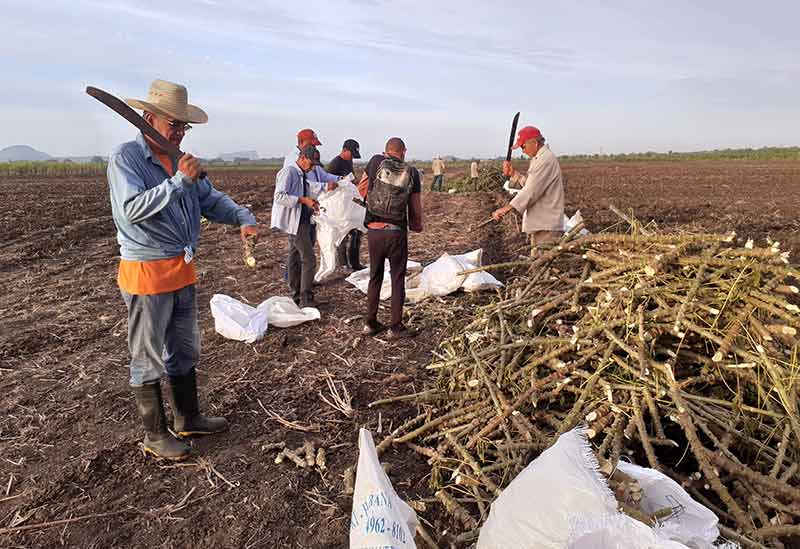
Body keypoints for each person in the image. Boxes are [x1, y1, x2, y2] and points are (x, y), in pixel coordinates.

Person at [108, 79, 258, 460]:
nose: (178, 131)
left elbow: (210, 200)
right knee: (147, 356)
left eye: (182, 125)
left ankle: (188, 417)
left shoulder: (181, 161)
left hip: (182, 270)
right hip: (147, 272)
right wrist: (178, 182)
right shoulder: (126, 158)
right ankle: (155, 435)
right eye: (171, 123)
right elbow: (131, 211)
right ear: (148, 119)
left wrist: (241, 216)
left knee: (184, 350)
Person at [362, 138, 423, 339]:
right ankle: (395, 327)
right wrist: (416, 226)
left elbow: (362, 188)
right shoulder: (411, 172)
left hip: (374, 231)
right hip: (396, 232)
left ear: (386, 151)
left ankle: (370, 323)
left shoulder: (374, 163)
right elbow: (415, 207)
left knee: (375, 276)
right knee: (397, 279)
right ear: (403, 151)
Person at [272, 145, 339, 307]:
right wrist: (302, 200)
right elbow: (279, 196)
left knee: (295, 257)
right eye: (310, 163)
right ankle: (306, 299)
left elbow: (306, 190)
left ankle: (296, 295)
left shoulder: (302, 173)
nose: (312, 167)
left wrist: (312, 203)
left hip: (303, 218)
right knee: (309, 259)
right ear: (302, 158)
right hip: (295, 223)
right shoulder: (289, 172)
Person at [491, 126, 564, 253]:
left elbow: (531, 190)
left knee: (543, 265)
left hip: (546, 225)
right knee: (538, 263)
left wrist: (506, 208)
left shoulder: (545, 159)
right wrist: (514, 174)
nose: (522, 151)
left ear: (534, 143)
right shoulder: (538, 159)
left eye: (523, 147)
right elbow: (531, 184)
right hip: (541, 223)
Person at [328, 139, 364, 271]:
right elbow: (330, 185)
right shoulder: (335, 164)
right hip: (339, 205)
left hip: (349, 202)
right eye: (352, 154)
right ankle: (343, 264)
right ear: (344, 150)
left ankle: (355, 263)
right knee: (342, 232)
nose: (353, 158)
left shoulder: (348, 162)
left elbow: (352, 180)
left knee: (356, 231)